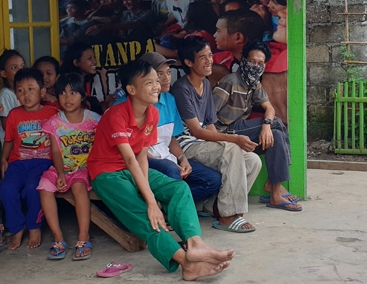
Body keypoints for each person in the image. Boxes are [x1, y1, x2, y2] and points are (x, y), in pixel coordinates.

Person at [87, 59, 234, 280]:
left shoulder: (152, 114)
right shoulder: (116, 114)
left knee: (179, 189)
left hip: (134, 167)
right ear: (131, 89)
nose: (157, 86)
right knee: (146, 216)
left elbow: (141, 156)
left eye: (157, 81)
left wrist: (149, 190)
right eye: (149, 82)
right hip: (107, 173)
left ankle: (195, 244)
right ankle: (186, 264)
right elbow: (128, 159)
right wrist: (150, 201)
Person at [171, 37, 261, 232]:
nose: (209, 60)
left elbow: (210, 126)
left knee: (253, 160)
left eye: (210, 55)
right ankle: (228, 217)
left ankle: (213, 206)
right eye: (202, 57)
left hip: (203, 143)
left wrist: (232, 142)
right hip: (187, 146)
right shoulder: (181, 89)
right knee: (230, 149)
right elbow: (196, 131)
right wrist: (233, 139)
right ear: (188, 62)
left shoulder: (206, 85)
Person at [123, 52, 223, 206]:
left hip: (167, 157)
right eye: (159, 74)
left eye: (169, 73)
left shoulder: (169, 100)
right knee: (171, 170)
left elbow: (171, 138)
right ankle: (174, 212)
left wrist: (183, 159)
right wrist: (167, 163)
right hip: (142, 160)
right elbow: (131, 149)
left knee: (212, 180)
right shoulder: (126, 105)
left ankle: (170, 204)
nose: (165, 79)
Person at [213, 40, 300, 212]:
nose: (255, 66)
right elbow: (209, 114)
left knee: (276, 134)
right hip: (223, 131)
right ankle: (274, 185)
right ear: (243, 61)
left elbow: (270, 108)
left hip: (240, 128)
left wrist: (266, 126)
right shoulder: (230, 81)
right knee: (276, 123)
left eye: (260, 63)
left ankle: (275, 188)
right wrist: (269, 123)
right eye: (252, 61)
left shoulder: (254, 84)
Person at [38, 73, 100, 261]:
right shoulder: (54, 123)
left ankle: (83, 236)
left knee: (79, 187)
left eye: (73, 92)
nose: (68, 98)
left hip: (84, 169)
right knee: (43, 187)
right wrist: (60, 173)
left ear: (82, 95)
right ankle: (58, 237)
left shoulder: (95, 119)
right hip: (61, 168)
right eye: (63, 93)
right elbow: (56, 152)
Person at [0, 68, 59, 250]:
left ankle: (34, 227)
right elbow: (9, 140)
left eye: (31, 89)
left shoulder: (51, 113)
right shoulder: (14, 115)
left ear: (42, 92)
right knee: (6, 189)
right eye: (20, 90)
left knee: (34, 188)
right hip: (18, 162)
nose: (26, 95)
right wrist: (4, 159)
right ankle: (17, 228)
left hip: (43, 162)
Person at [0, 49, 26, 144]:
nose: (20, 70)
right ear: (3, 73)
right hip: (13, 147)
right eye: (14, 68)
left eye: (22, 66)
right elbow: (7, 126)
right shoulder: (6, 95)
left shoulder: (27, 92)